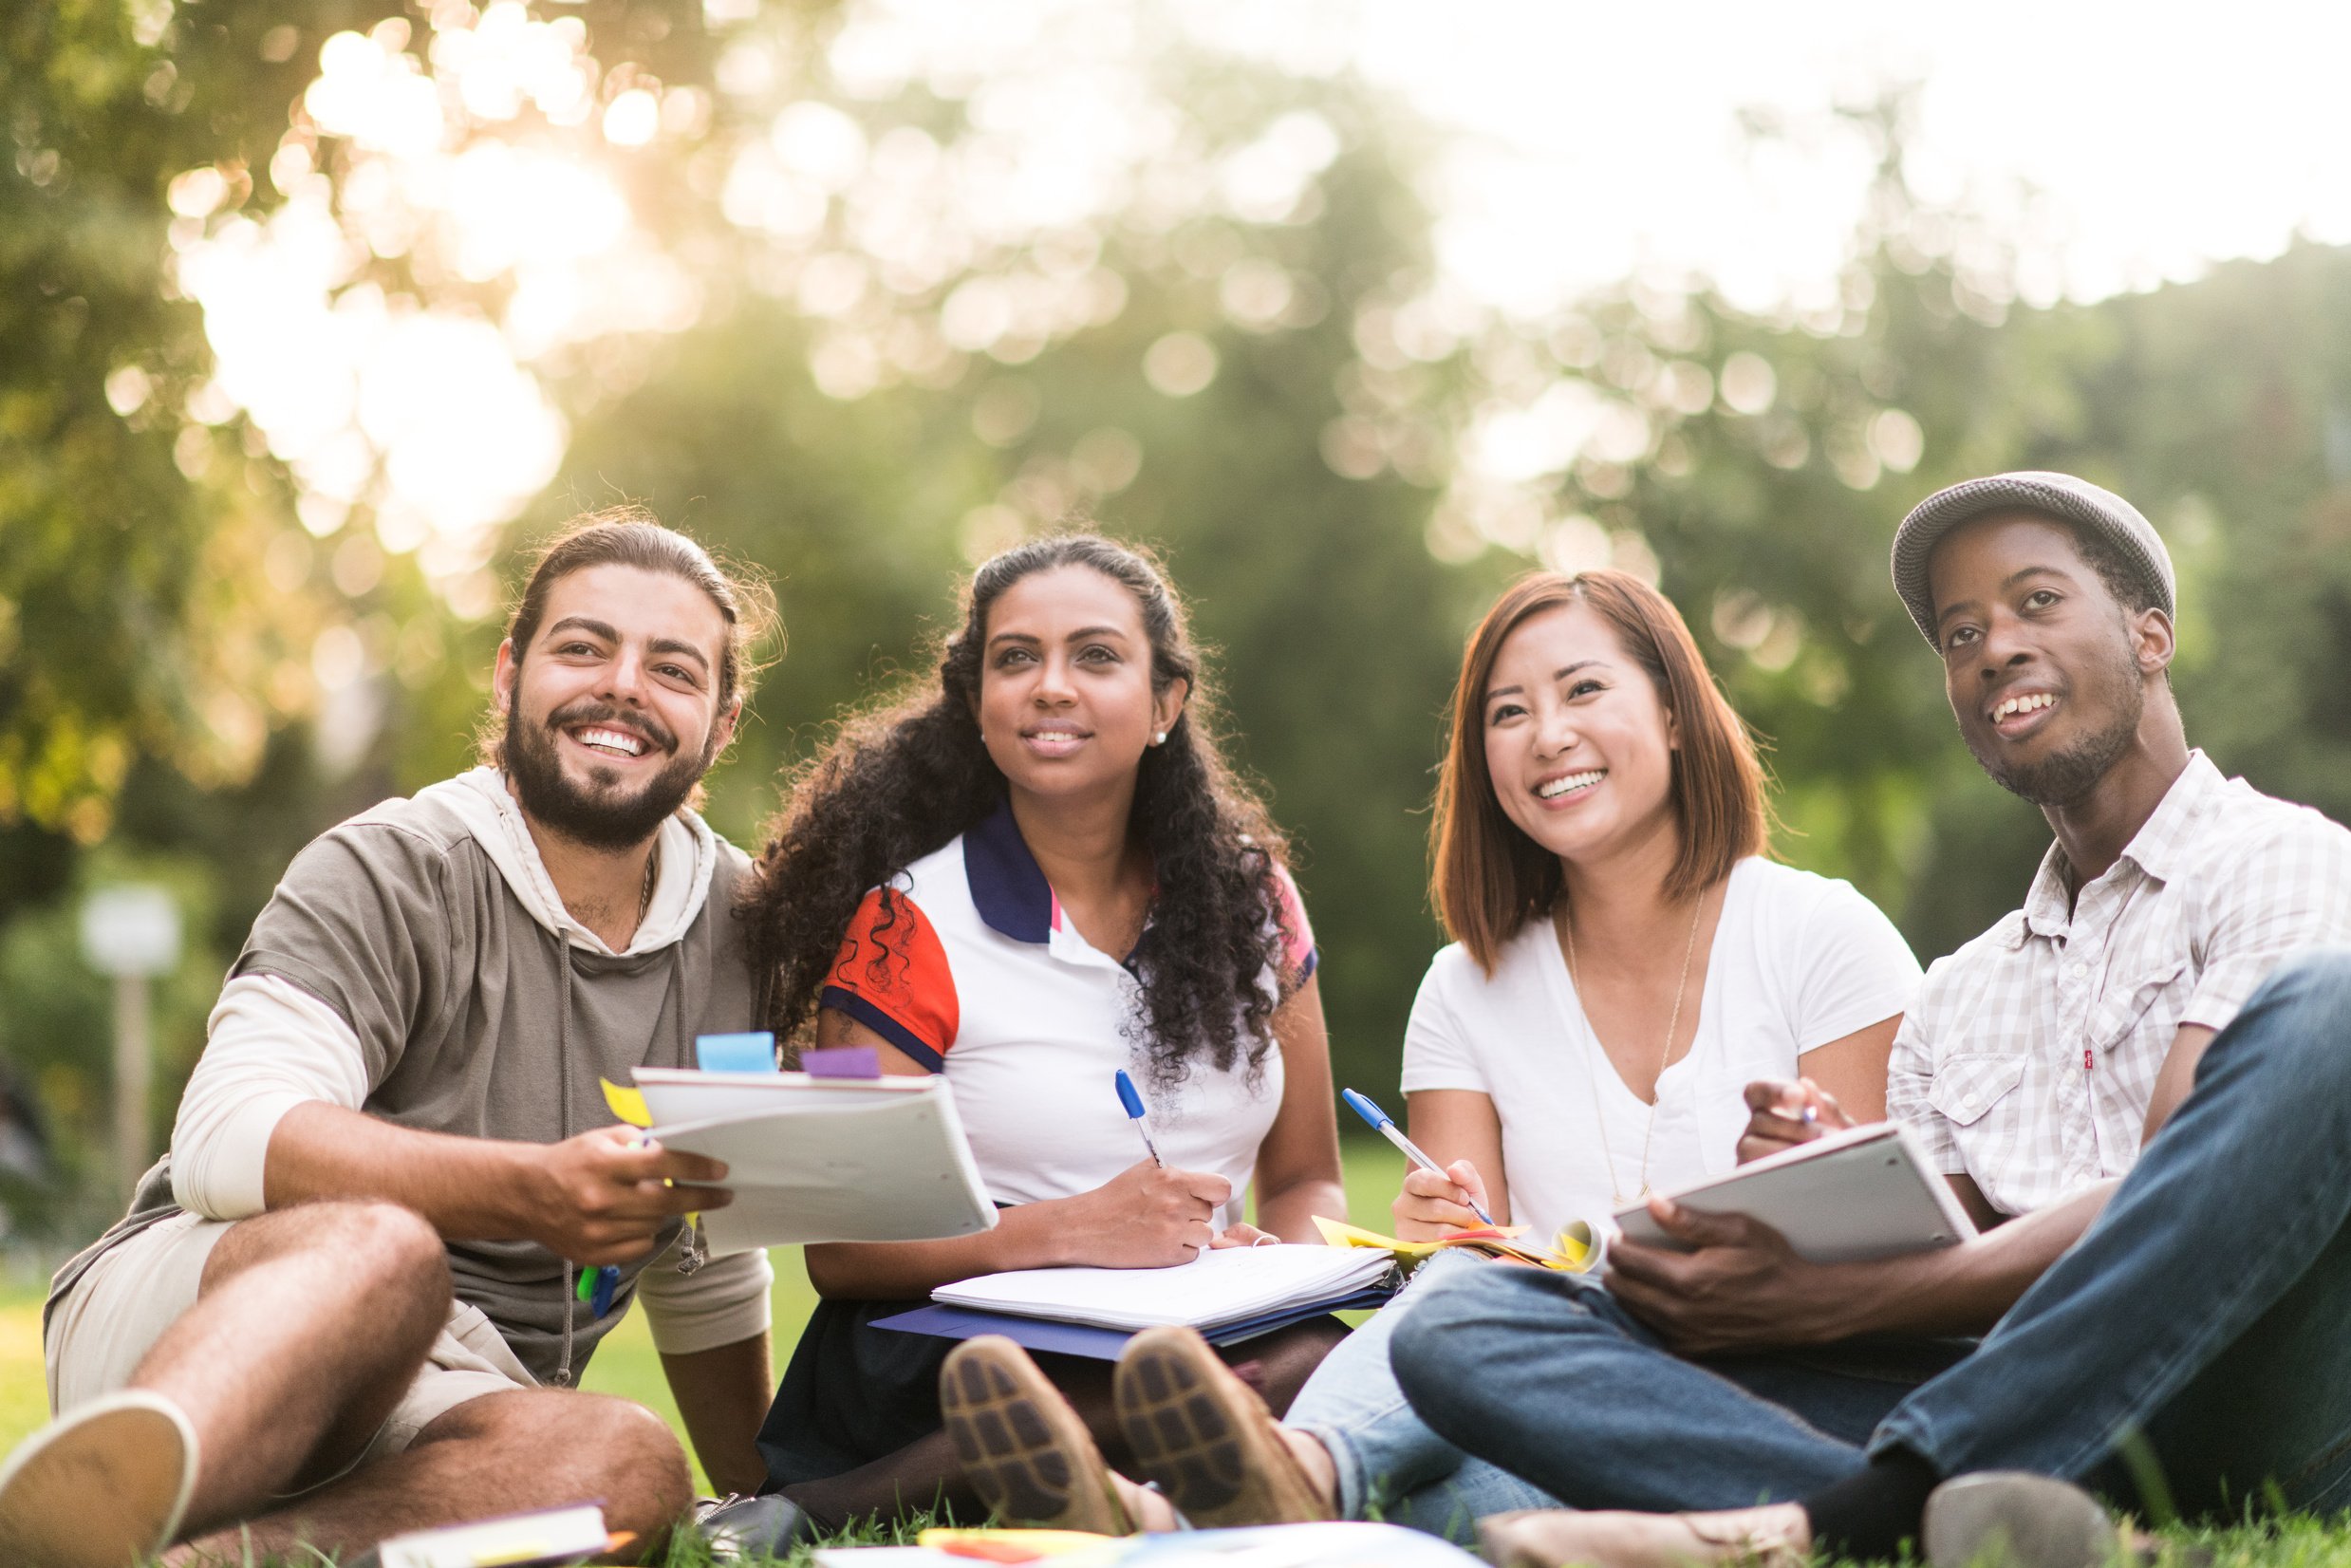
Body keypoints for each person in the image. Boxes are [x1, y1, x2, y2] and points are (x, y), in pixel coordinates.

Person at [1382, 473, 2351, 1568]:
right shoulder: (1961, 984)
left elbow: (2175, 1203)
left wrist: (1823, 1306)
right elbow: (1941, 1244)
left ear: (2149, 633)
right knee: (1461, 1329)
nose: (1992, 648)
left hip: (2252, 1391)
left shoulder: (2283, 858)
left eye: (2036, 602)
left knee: (2330, 1008)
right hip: (2001, 1408)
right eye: (1959, 632)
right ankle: (2050, 1534)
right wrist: (1809, 1207)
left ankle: (1850, 1522)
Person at [928, 567, 1924, 1541]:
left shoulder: (1821, 938)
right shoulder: (1464, 986)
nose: (1547, 735)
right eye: (1506, 712)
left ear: (1671, 712)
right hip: (1569, 1402)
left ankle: (1211, 1501)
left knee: (1446, 1428)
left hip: (1790, 1387)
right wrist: (1437, 1227)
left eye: (1582, 689)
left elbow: (1872, 1260)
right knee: (1460, 1376)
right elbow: (1470, 1270)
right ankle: (1226, 1503)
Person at [2, 511, 785, 1568]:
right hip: (226, 1323)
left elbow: (705, 1257)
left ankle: (196, 1559)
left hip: (456, 1399)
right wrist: (529, 1188)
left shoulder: (746, 929)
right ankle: (118, 1489)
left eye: (672, 668)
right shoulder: (387, 866)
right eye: (583, 647)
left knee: (630, 1468)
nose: (623, 687)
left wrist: (770, 1500)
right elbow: (229, 1134)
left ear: (722, 720)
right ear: (510, 672)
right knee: (385, 1247)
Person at [737, 533, 1345, 1528]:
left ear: (1165, 703)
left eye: (1095, 656)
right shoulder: (902, 926)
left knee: (1316, 1350)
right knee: (1226, 1378)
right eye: (1015, 657)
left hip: (1186, 1325)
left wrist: (1261, 1266)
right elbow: (842, 1246)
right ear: (977, 701)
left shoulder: (1257, 902)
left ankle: (1110, 1495)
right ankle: (828, 1504)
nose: (1049, 685)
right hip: (951, 1342)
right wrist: (1067, 1232)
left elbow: (1308, 1174)